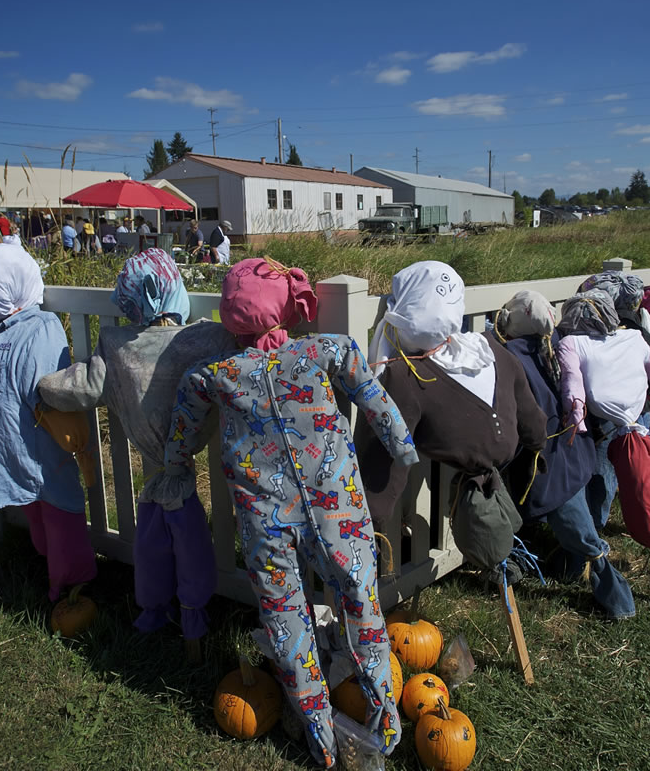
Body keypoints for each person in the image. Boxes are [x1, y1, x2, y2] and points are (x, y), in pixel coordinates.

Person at [163, 257, 414, 767]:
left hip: (266, 519)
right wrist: (401, 443)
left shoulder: (213, 375)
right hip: (336, 507)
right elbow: (374, 398)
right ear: (283, 307)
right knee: (361, 601)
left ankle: (320, 733)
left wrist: (174, 465)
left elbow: (182, 430)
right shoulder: (328, 349)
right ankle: (384, 713)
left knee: (286, 620)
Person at [38, 249, 237, 655]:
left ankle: (152, 612)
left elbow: (84, 385)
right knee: (192, 546)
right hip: (182, 469)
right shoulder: (206, 338)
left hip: (152, 475)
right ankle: (193, 622)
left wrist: (41, 387)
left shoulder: (116, 345)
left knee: (151, 546)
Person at [358, 261, 547, 572]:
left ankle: (497, 562)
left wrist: (372, 517)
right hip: (502, 460)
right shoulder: (492, 350)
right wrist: (537, 443)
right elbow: (532, 418)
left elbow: (387, 456)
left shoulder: (405, 377)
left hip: (476, 471)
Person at [0, 244, 97, 603]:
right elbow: (48, 387)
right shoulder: (42, 326)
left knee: (34, 503)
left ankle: (44, 556)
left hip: (2, 440)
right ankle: (68, 585)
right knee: (61, 504)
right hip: (36, 439)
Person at [496, 290, 636, 619]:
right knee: (575, 517)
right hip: (572, 448)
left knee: (578, 530)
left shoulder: (512, 356)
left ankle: (619, 603)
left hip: (549, 461)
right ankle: (569, 566)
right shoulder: (556, 343)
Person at [558, 288, 650, 577]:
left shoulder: (571, 343)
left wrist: (577, 418)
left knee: (605, 481)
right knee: (641, 481)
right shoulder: (633, 337)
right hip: (636, 420)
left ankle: (588, 545)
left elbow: (573, 384)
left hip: (605, 423)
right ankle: (598, 537)